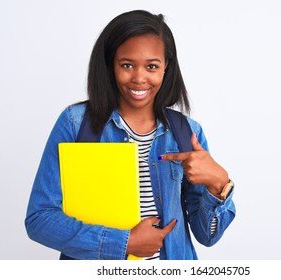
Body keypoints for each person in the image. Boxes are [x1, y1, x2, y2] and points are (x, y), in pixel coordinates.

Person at [25, 9, 236, 260]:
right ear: (110, 64)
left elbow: (207, 236)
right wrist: (122, 243)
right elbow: (39, 219)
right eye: (127, 65)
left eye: (151, 66)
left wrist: (219, 185)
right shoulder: (75, 124)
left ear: (166, 66)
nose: (139, 78)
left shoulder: (187, 132)